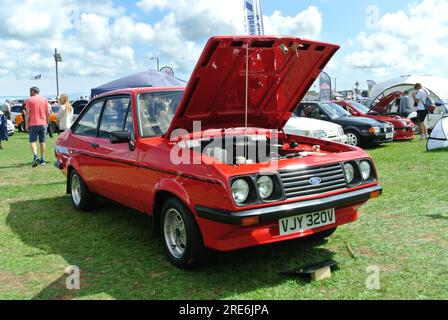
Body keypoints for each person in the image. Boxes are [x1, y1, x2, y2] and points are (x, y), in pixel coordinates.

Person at [25, 87, 50, 167]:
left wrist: (26, 123)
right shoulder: (44, 100)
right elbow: (48, 113)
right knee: (42, 141)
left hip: (33, 123)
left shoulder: (29, 100)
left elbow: (27, 113)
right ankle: (42, 159)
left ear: (33, 91)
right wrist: (47, 122)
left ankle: (35, 156)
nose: (29, 92)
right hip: (43, 123)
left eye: (30, 91)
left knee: (32, 141)